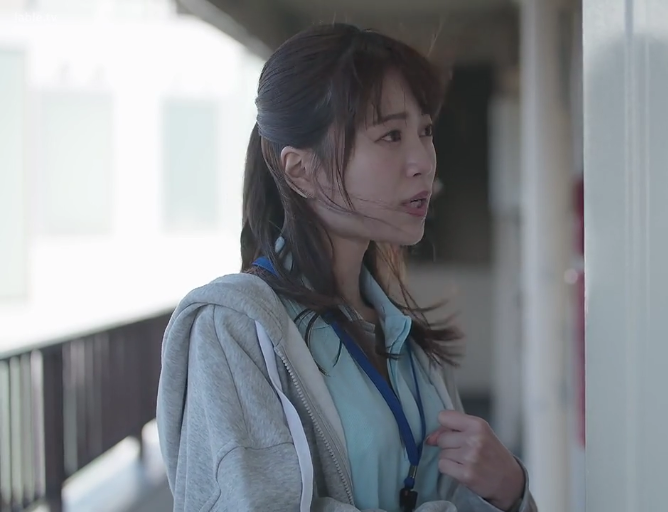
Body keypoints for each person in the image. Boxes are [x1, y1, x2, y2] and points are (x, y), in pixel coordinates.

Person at [156, 23, 537, 512]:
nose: (423, 161)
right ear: (301, 171)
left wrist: (510, 491)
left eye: (425, 131)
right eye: (391, 135)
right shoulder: (234, 328)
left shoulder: (407, 340)